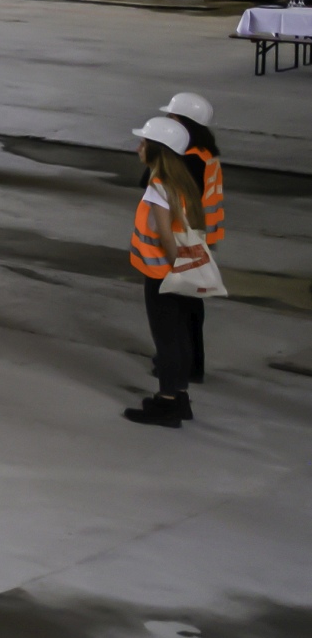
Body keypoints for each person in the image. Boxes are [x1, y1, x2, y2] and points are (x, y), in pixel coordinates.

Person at [125, 114, 218, 427]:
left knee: (165, 339)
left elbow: (165, 235)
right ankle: (179, 397)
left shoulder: (159, 187)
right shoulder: (183, 181)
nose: (138, 148)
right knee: (178, 335)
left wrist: (175, 269)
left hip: (160, 273)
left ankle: (167, 403)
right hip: (175, 271)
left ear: (158, 150)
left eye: (144, 143)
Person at [162, 90, 225, 385]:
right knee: (190, 303)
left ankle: (182, 366)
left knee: (178, 306)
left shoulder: (188, 158)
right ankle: (193, 364)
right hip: (203, 235)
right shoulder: (205, 152)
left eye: (171, 117)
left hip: (183, 238)